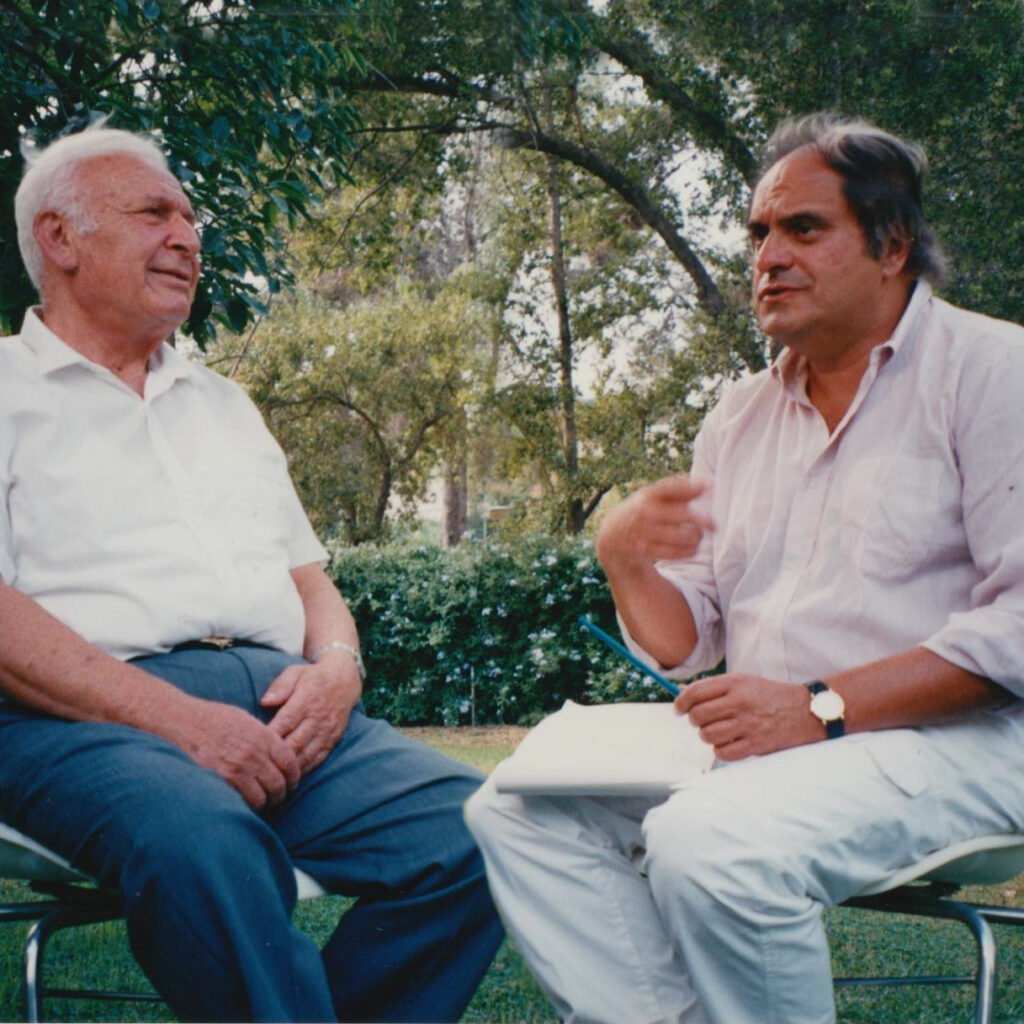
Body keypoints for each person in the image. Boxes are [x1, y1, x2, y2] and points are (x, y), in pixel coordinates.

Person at [465, 111, 1024, 1024]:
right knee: (517, 809)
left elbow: (1018, 634)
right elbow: (687, 643)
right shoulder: (737, 417)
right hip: (779, 756)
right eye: (759, 233)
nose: (768, 257)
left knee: (710, 839)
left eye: (803, 228)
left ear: (892, 246)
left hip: (967, 744)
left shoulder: (997, 371)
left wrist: (816, 708)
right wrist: (624, 563)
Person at [0, 121, 503, 1023]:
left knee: (489, 831)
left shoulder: (225, 404)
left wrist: (339, 671)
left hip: (281, 708)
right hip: (75, 720)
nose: (188, 238)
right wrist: (179, 721)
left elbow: (310, 583)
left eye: (191, 220)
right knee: (203, 841)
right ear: (60, 238)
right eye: (155, 214)